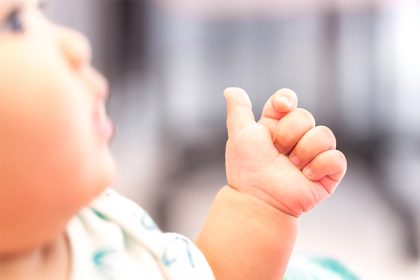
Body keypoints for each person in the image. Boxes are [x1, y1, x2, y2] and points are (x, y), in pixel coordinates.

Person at [0, 0, 348, 279]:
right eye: (14, 22)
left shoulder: (97, 221)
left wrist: (259, 205)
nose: (77, 45)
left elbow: (209, 273)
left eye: (40, 11)